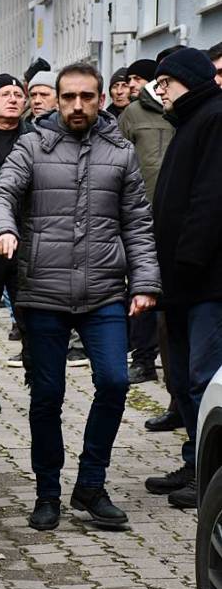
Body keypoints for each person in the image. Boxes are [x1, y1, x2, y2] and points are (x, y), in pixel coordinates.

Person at [0, 62, 160, 531]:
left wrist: (144, 282)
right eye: (68, 97)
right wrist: (3, 228)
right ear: (56, 100)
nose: (78, 105)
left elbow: (138, 225)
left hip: (104, 292)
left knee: (115, 383)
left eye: (87, 96)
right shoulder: (32, 146)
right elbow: (0, 195)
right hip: (42, 292)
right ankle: (47, 492)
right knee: (48, 394)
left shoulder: (120, 153)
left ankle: (90, 484)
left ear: (101, 99)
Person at [145, 48, 222, 509]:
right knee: (183, 379)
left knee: (201, 377)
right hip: (181, 283)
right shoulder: (193, 121)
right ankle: (195, 462)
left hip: (205, 284)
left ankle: (210, 477)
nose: (161, 92)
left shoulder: (214, 118)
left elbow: (211, 201)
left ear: (187, 81)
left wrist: (186, 265)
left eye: (166, 83)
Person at [0, 74, 34, 416]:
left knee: (31, 316)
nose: (13, 99)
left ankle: (38, 380)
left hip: (27, 240)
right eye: (5, 93)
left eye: (18, 94)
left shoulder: (37, 138)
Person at [118, 64, 174, 391]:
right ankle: (142, 359)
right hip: (142, 215)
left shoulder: (185, 113)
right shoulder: (133, 113)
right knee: (140, 286)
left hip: (178, 218)